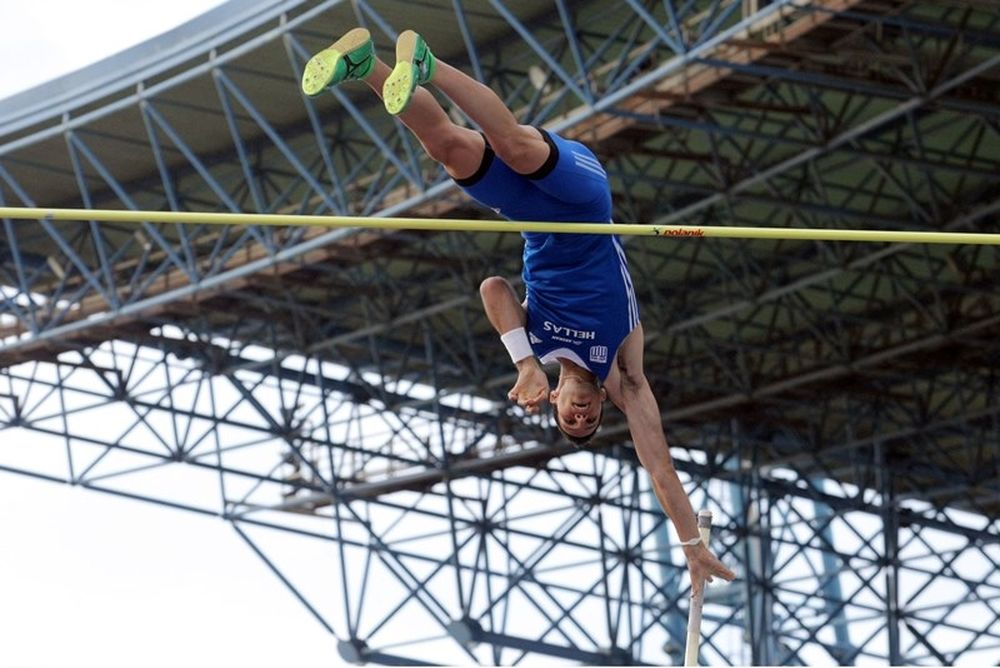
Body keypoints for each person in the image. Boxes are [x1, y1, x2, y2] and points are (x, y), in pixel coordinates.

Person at [302, 27, 736, 594]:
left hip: (532, 214)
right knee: (515, 146)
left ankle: (364, 65)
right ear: (602, 402)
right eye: (589, 420)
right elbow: (659, 469)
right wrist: (691, 545)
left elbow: (492, 287)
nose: (580, 417)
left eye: (568, 419)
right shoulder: (626, 376)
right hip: (583, 204)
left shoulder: (537, 345)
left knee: (446, 146)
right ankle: (430, 62)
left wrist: (524, 362)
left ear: (554, 401)